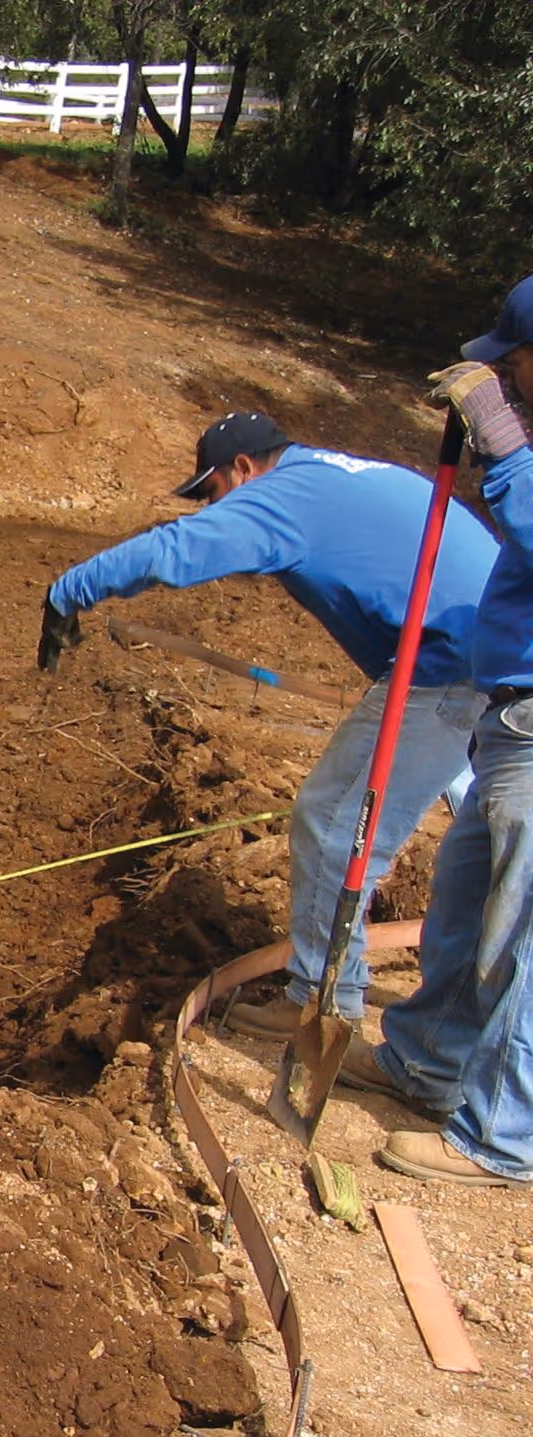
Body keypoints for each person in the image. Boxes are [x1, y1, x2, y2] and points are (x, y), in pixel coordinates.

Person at [37, 411, 496, 1037]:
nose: (213, 507)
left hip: (451, 666)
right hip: (491, 649)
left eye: (212, 492)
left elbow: (179, 550)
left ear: (245, 469)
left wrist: (72, 588)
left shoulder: (283, 498)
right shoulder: (329, 473)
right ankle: (464, 1004)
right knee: (486, 843)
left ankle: (321, 1002)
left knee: (335, 823)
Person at [347, 275, 533, 1188]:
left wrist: (503, 445)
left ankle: (505, 1138)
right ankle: (427, 1066)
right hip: (511, 712)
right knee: (466, 901)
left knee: (521, 930)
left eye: (516, 367)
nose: (506, 381)